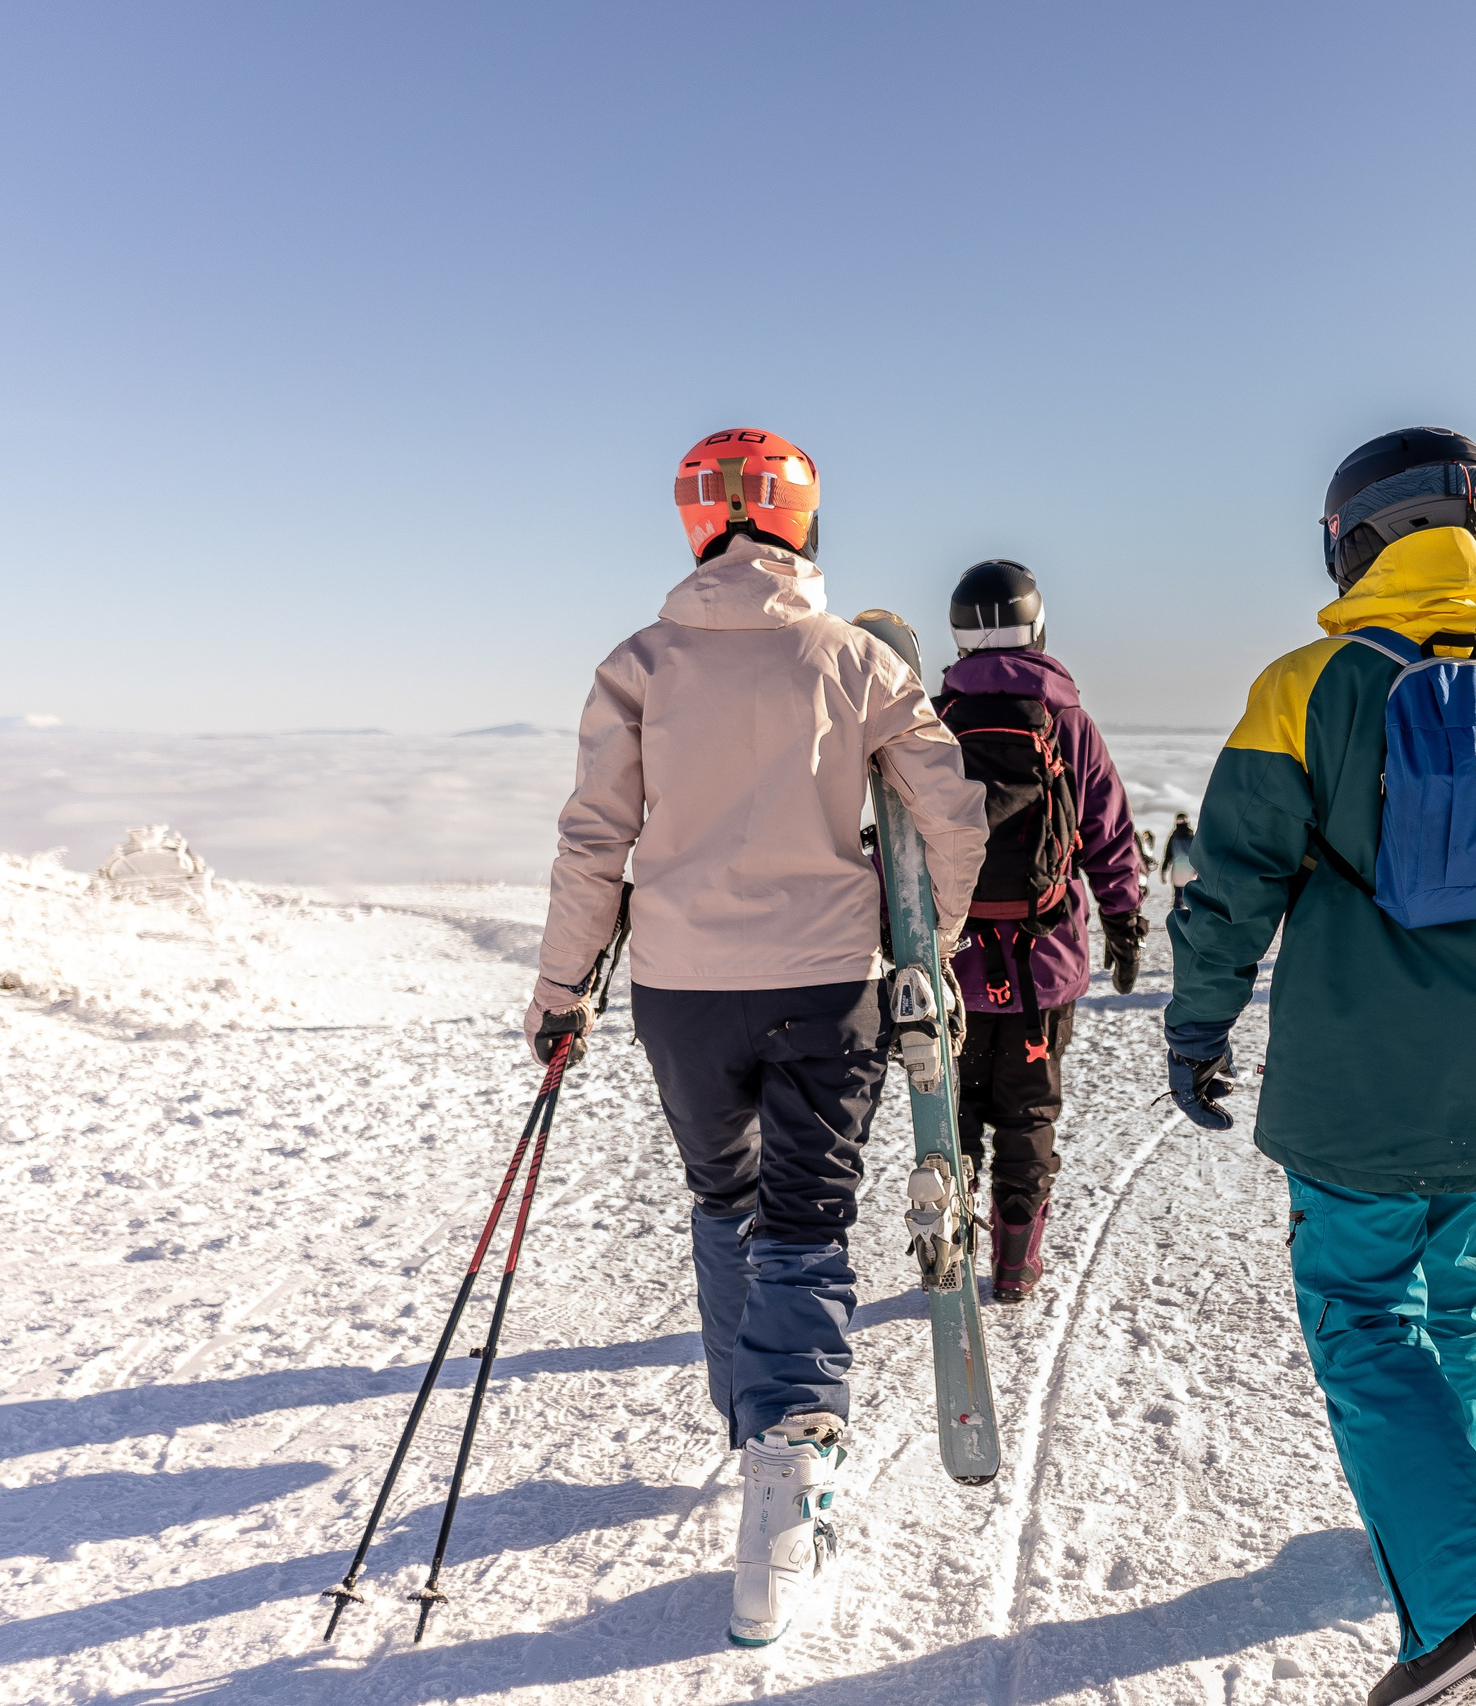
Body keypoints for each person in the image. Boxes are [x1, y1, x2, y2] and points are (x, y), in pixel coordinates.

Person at [1160, 428, 1476, 1706]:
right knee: (1449, 1304)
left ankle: (1471, 1591)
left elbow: (1229, 889)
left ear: (1350, 539)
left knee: (1362, 1317)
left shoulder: (1305, 686)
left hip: (1360, 1083)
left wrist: (1200, 1026)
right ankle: (1431, 1532)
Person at [525, 428, 987, 1650]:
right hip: (827, 981)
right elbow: (950, 810)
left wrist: (560, 988)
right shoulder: (855, 661)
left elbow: (592, 841)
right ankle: (783, 1493)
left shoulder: (638, 662)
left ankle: (749, 1417)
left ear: (697, 522)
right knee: (804, 1222)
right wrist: (925, 944)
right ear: (804, 522)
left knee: (721, 1194)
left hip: (680, 989)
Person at [935, 558, 1146, 1301]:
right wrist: (1122, 920)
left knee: (954, 1110)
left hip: (951, 963)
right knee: (1028, 1113)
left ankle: (948, 1239)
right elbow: (1107, 829)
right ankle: (1017, 1264)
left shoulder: (935, 720)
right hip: (1043, 961)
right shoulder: (1067, 720)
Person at [1158, 811, 1198, 909]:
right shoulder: (1193, 837)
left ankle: (1178, 919)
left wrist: (1163, 871)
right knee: (1192, 898)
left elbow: (1168, 856)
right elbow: (1198, 856)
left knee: (1178, 897)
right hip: (1191, 871)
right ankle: (1192, 920)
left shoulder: (1173, 837)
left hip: (1177, 871)